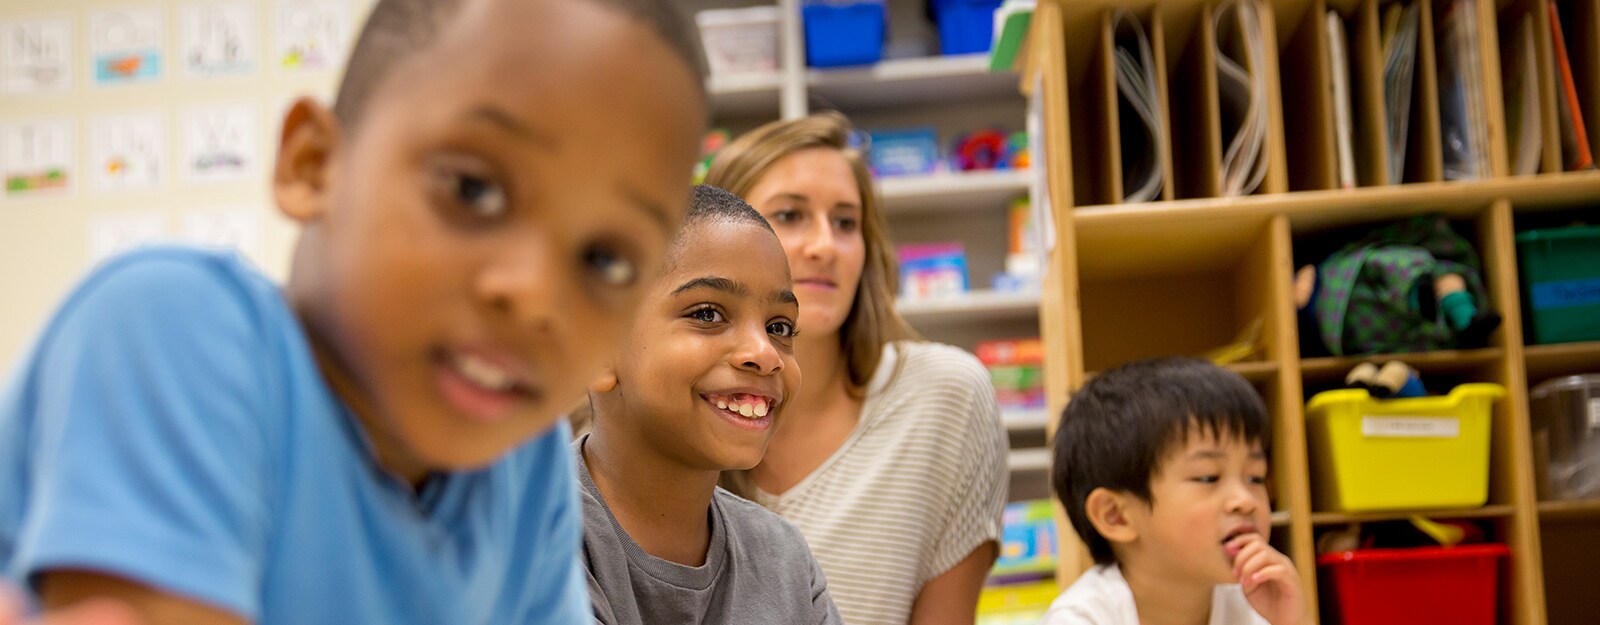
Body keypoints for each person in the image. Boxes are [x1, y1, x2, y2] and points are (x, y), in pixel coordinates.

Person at [0, 0, 707, 622]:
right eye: (473, 190)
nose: (533, 295)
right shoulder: (174, 327)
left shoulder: (525, 465)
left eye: (605, 261)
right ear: (314, 164)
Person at [703, 111, 1008, 624]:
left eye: (846, 222)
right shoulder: (664, 406)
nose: (824, 245)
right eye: (790, 215)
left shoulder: (946, 399)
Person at [575, 185, 842, 625]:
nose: (765, 352)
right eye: (707, 314)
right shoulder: (529, 541)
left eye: (779, 326)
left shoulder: (784, 561)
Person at [1044, 358, 1304, 625]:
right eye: (1208, 477)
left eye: (1255, 477)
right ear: (1115, 516)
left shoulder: (1255, 600)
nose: (1245, 501)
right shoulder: (1082, 618)